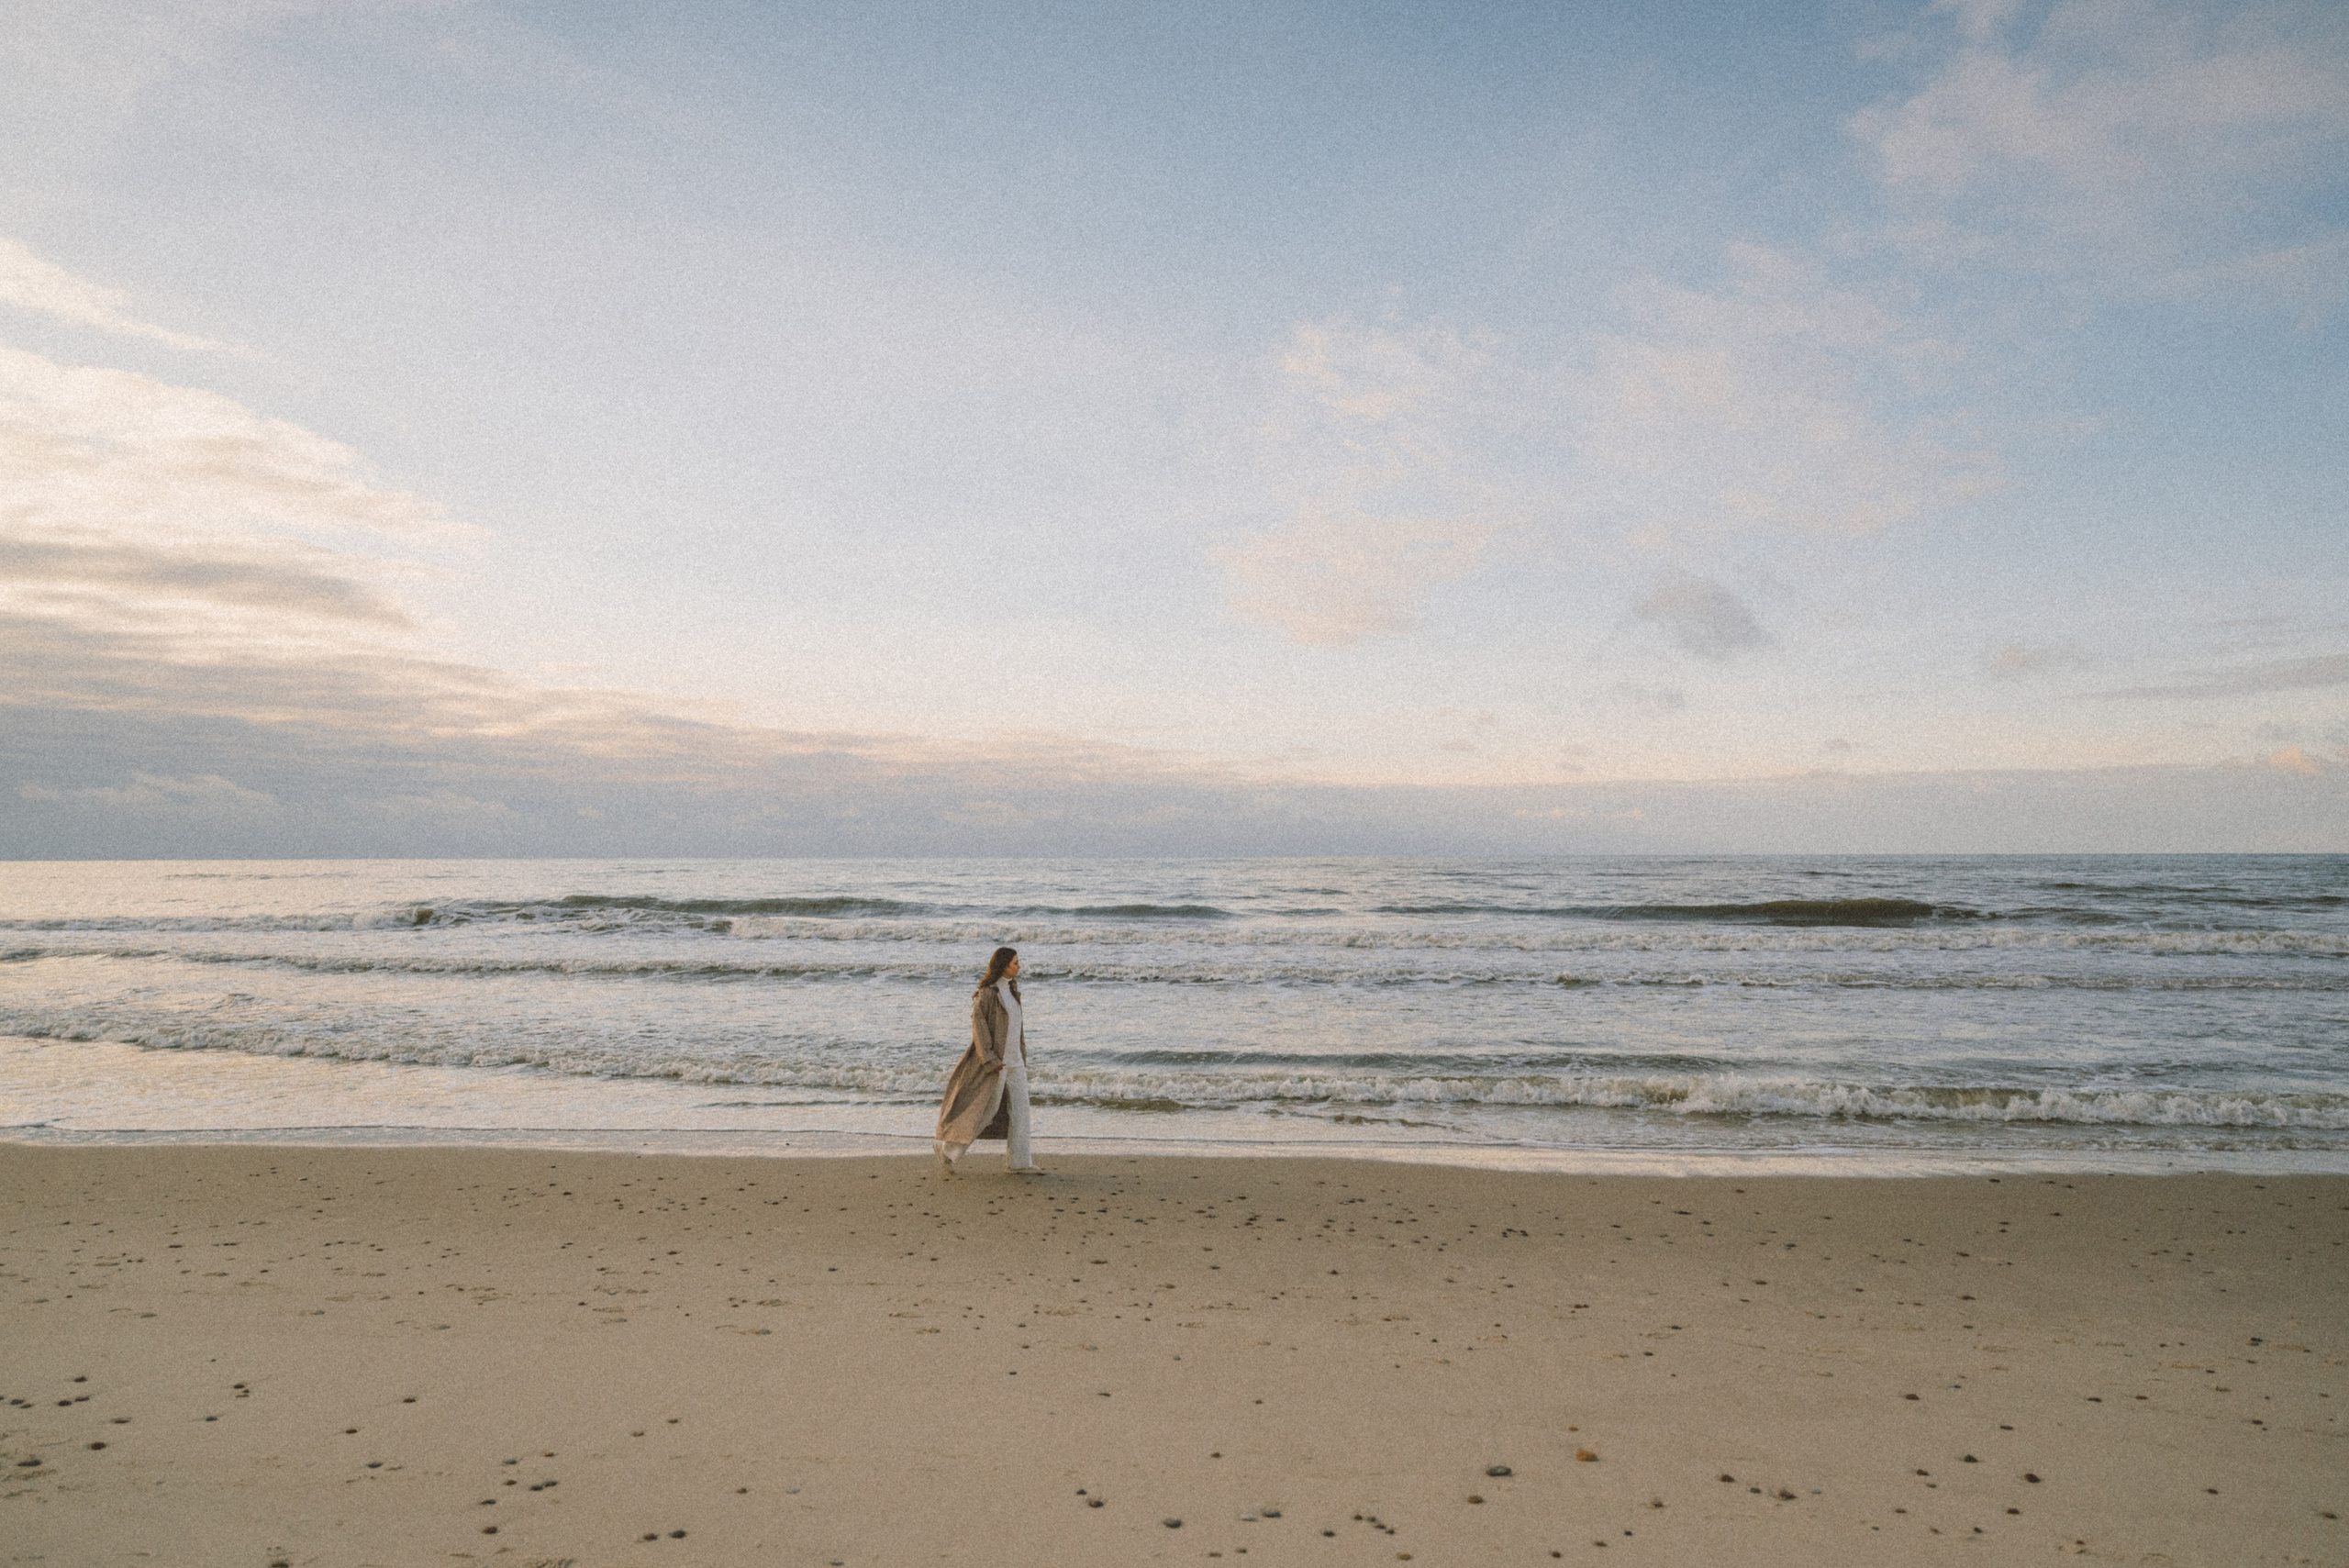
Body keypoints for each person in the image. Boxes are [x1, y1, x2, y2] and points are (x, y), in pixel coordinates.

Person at [933, 945, 1042, 1174]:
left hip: (1016, 1062)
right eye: (1015, 963)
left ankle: (1019, 1163)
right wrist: (990, 1060)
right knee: (986, 1111)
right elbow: (979, 1030)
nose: (1019, 966)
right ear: (1003, 966)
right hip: (997, 1063)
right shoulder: (987, 994)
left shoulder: (1013, 991)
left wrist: (1022, 1056)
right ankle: (947, 1151)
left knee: (1022, 1111)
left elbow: (1017, 1030)